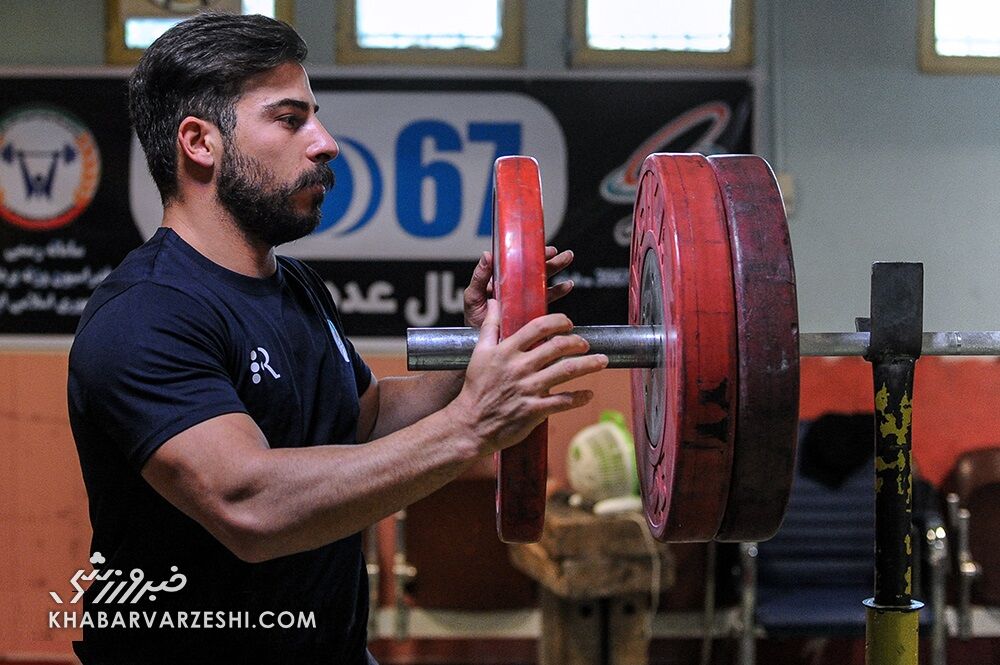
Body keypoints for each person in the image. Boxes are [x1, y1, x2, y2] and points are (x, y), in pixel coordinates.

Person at [67, 12, 607, 665]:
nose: (327, 143)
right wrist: (470, 425)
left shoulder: (296, 288)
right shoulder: (145, 314)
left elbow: (363, 417)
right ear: (199, 143)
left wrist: (476, 351)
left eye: (314, 116)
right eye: (291, 119)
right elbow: (250, 503)